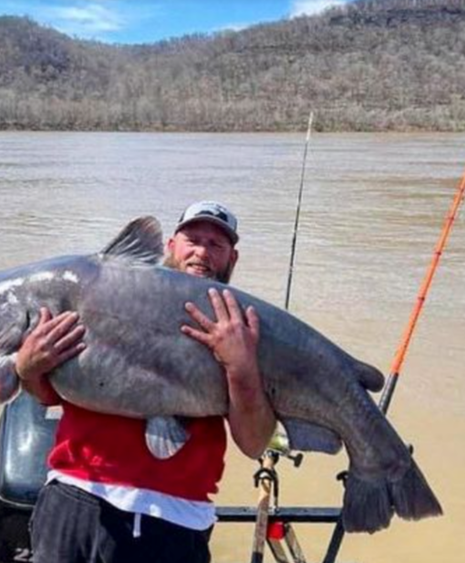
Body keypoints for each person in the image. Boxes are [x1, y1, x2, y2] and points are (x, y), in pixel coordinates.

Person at [14, 200, 277, 563]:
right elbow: (46, 396)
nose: (202, 252)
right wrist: (27, 369)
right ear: (170, 246)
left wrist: (241, 367)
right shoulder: (98, 297)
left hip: (174, 517)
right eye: (193, 240)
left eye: (216, 245)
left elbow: (253, 442)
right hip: (75, 494)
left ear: (232, 259)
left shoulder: (246, 331)